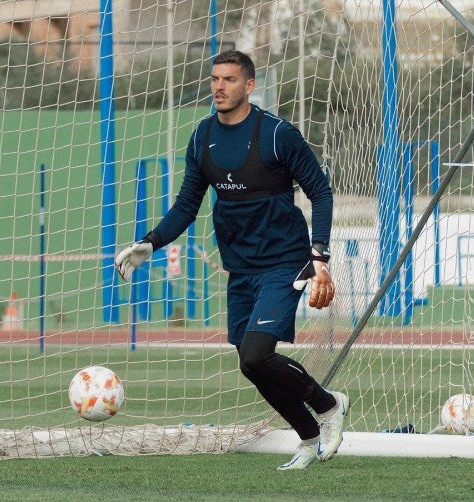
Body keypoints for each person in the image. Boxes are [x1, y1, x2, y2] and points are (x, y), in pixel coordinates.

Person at [115, 50, 349, 470]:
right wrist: (151, 243)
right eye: (214, 79)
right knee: (250, 364)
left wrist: (319, 254)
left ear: (249, 85)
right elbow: (187, 204)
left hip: (284, 262)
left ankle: (329, 407)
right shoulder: (203, 136)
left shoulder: (278, 135)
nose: (219, 87)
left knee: (258, 354)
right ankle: (309, 437)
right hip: (240, 269)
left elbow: (321, 192)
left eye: (228, 79)